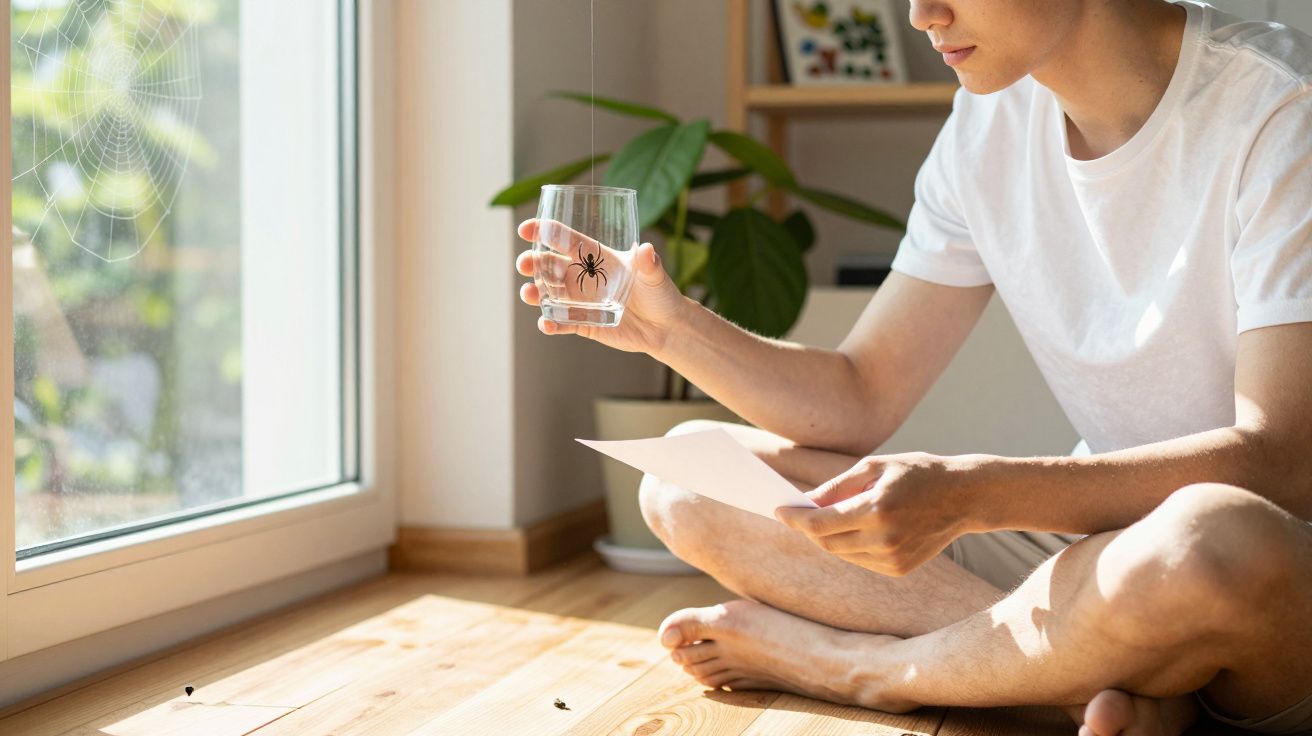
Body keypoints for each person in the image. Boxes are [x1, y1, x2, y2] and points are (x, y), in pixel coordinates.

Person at [514, 1, 1312, 732]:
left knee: (1206, 539)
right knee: (687, 476)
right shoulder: (987, 124)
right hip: (1094, 554)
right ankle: (1088, 682)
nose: (921, 14)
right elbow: (860, 393)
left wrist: (972, 494)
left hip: (1257, 572)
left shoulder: (1280, 107)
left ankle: (873, 671)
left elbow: (1283, 462)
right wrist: (669, 329)